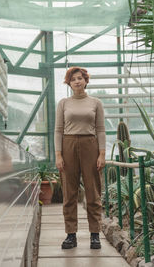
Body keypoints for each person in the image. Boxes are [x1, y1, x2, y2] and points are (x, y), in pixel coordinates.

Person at [54, 66, 106, 250]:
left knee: (93, 191)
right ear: (69, 82)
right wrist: (58, 155)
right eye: (73, 79)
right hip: (67, 146)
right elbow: (58, 130)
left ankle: (95, 235)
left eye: (80, 78)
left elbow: (100, 129)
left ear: (86, 81)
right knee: (69, 192)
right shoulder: (63, 103)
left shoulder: (95, 103)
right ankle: (70, 235)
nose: (77, 81)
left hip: (90, 145)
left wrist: (102, 153)